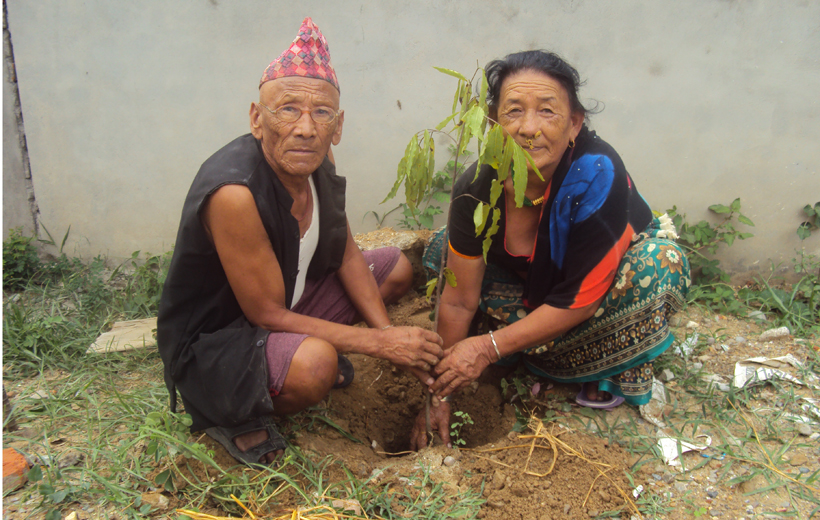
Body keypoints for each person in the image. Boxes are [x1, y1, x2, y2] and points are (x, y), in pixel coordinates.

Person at [157, 17, 443, 465]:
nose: (306, 128)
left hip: (286, 303)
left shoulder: (317, 160)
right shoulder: (235, 193)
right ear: (257, 118)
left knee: (394, 267)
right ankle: (236, 415)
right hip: (219, 341)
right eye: (287, 109)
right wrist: (377, 344)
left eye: (321, 113)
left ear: (338, 125)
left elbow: (347, 251)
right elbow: (264, 312)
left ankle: (300, 349)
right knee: (315, 367)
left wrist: (386, 332)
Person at [410, 50, 690, 450]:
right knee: (443, 251)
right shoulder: (478, 186)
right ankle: (526, 346)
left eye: (547, 112)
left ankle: (562, 356)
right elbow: (457, 301)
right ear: (493, 122)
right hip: (531, 287)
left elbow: (580, 301)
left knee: (659, 264)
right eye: (513, 112)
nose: (528, 128)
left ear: (574, 123)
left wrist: (486, 347)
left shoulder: (597, 173)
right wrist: (440, 393)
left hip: (595, 291)